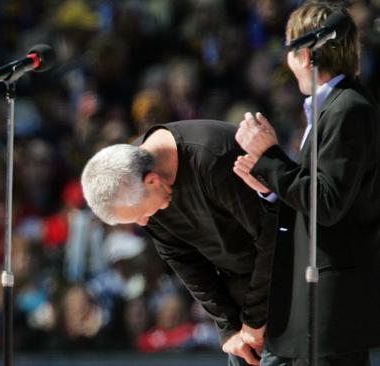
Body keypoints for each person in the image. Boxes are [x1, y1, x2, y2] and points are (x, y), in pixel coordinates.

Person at [234, 2, 380, 365]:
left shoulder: (349, 109)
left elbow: (328, 203)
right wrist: (269, 186)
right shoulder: (335, 107)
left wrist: (269, 158)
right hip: (309, 312)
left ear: (303, 54)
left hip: (330, 314)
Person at [81, 119, 276, 365]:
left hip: (288, 275)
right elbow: (182, 259)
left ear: (152, 181)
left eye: (140, 214)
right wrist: (229, 327)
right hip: (239, 292)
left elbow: (273, 238)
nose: (143, 223)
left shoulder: (213, 156)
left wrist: (255, 320)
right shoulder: (137, 180)